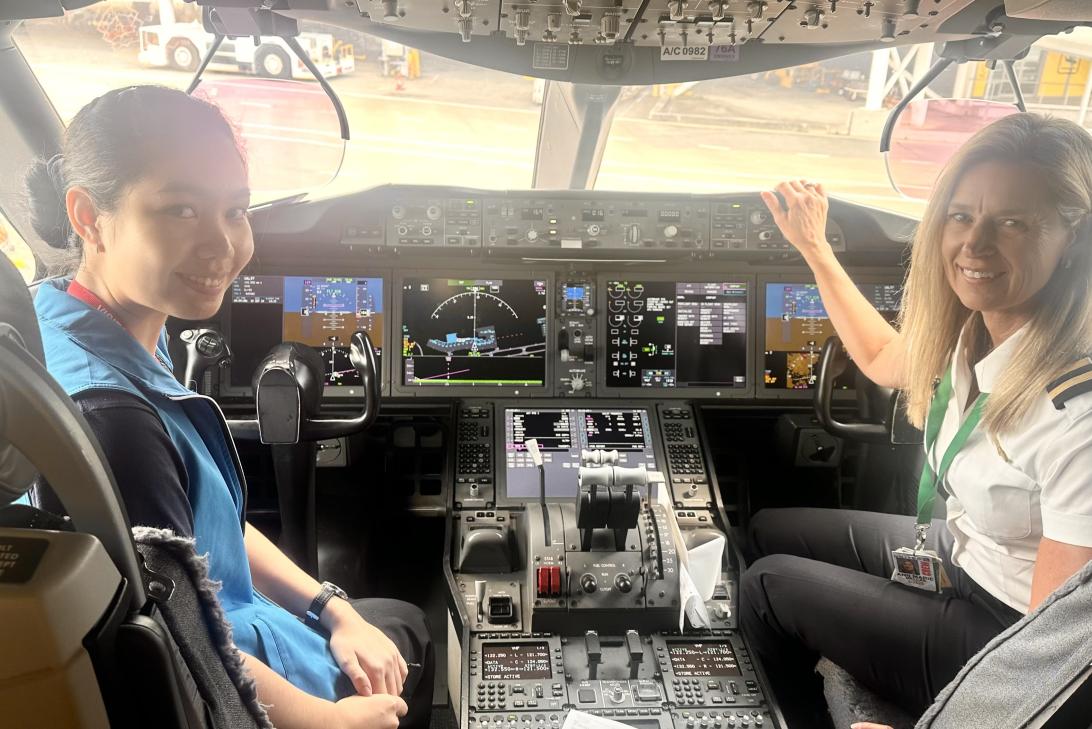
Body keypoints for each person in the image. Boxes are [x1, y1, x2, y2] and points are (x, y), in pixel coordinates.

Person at [25, 85, 434, 729]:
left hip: (224, 622)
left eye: (236, 211)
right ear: (87, 216)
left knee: (381, 623)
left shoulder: (71, 317)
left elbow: (202, 522)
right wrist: (324, 722)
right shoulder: (113, 421)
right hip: (219, 673)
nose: (223, 246)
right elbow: (179, 644)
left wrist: (335, 608)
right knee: (409, 630)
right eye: (180, 209)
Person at [740, 113, 1092, 727]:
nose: (974, 245)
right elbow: (879, 357)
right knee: (769, 527)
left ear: (1075, 242)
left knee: (766, 587)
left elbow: (1054, 659)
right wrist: (815, 248)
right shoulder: (976, 331)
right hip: (962, 555)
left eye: (1012, 222)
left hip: (1005, 627)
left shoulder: (1079, 412)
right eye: (961, 216)